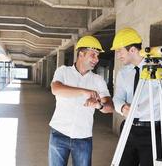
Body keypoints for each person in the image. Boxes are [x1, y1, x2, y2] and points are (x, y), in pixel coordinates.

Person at [111, 27, 162, 166]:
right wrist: (122, 107)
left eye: (119, 51)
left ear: (132, 50)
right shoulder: (123, 73)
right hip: (129, 130)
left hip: (155, 132)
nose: (118, 55)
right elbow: (117, 98)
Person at [48, 35, 114, 166]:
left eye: (97, 56)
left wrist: (99, 105)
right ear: (81, 54)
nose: (96, 59)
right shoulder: (63, 71)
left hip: (83, 137)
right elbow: (56, 89)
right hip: (59, 133)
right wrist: (84, 91)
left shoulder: (98, 80)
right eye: (93, 55)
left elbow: (110, 107)